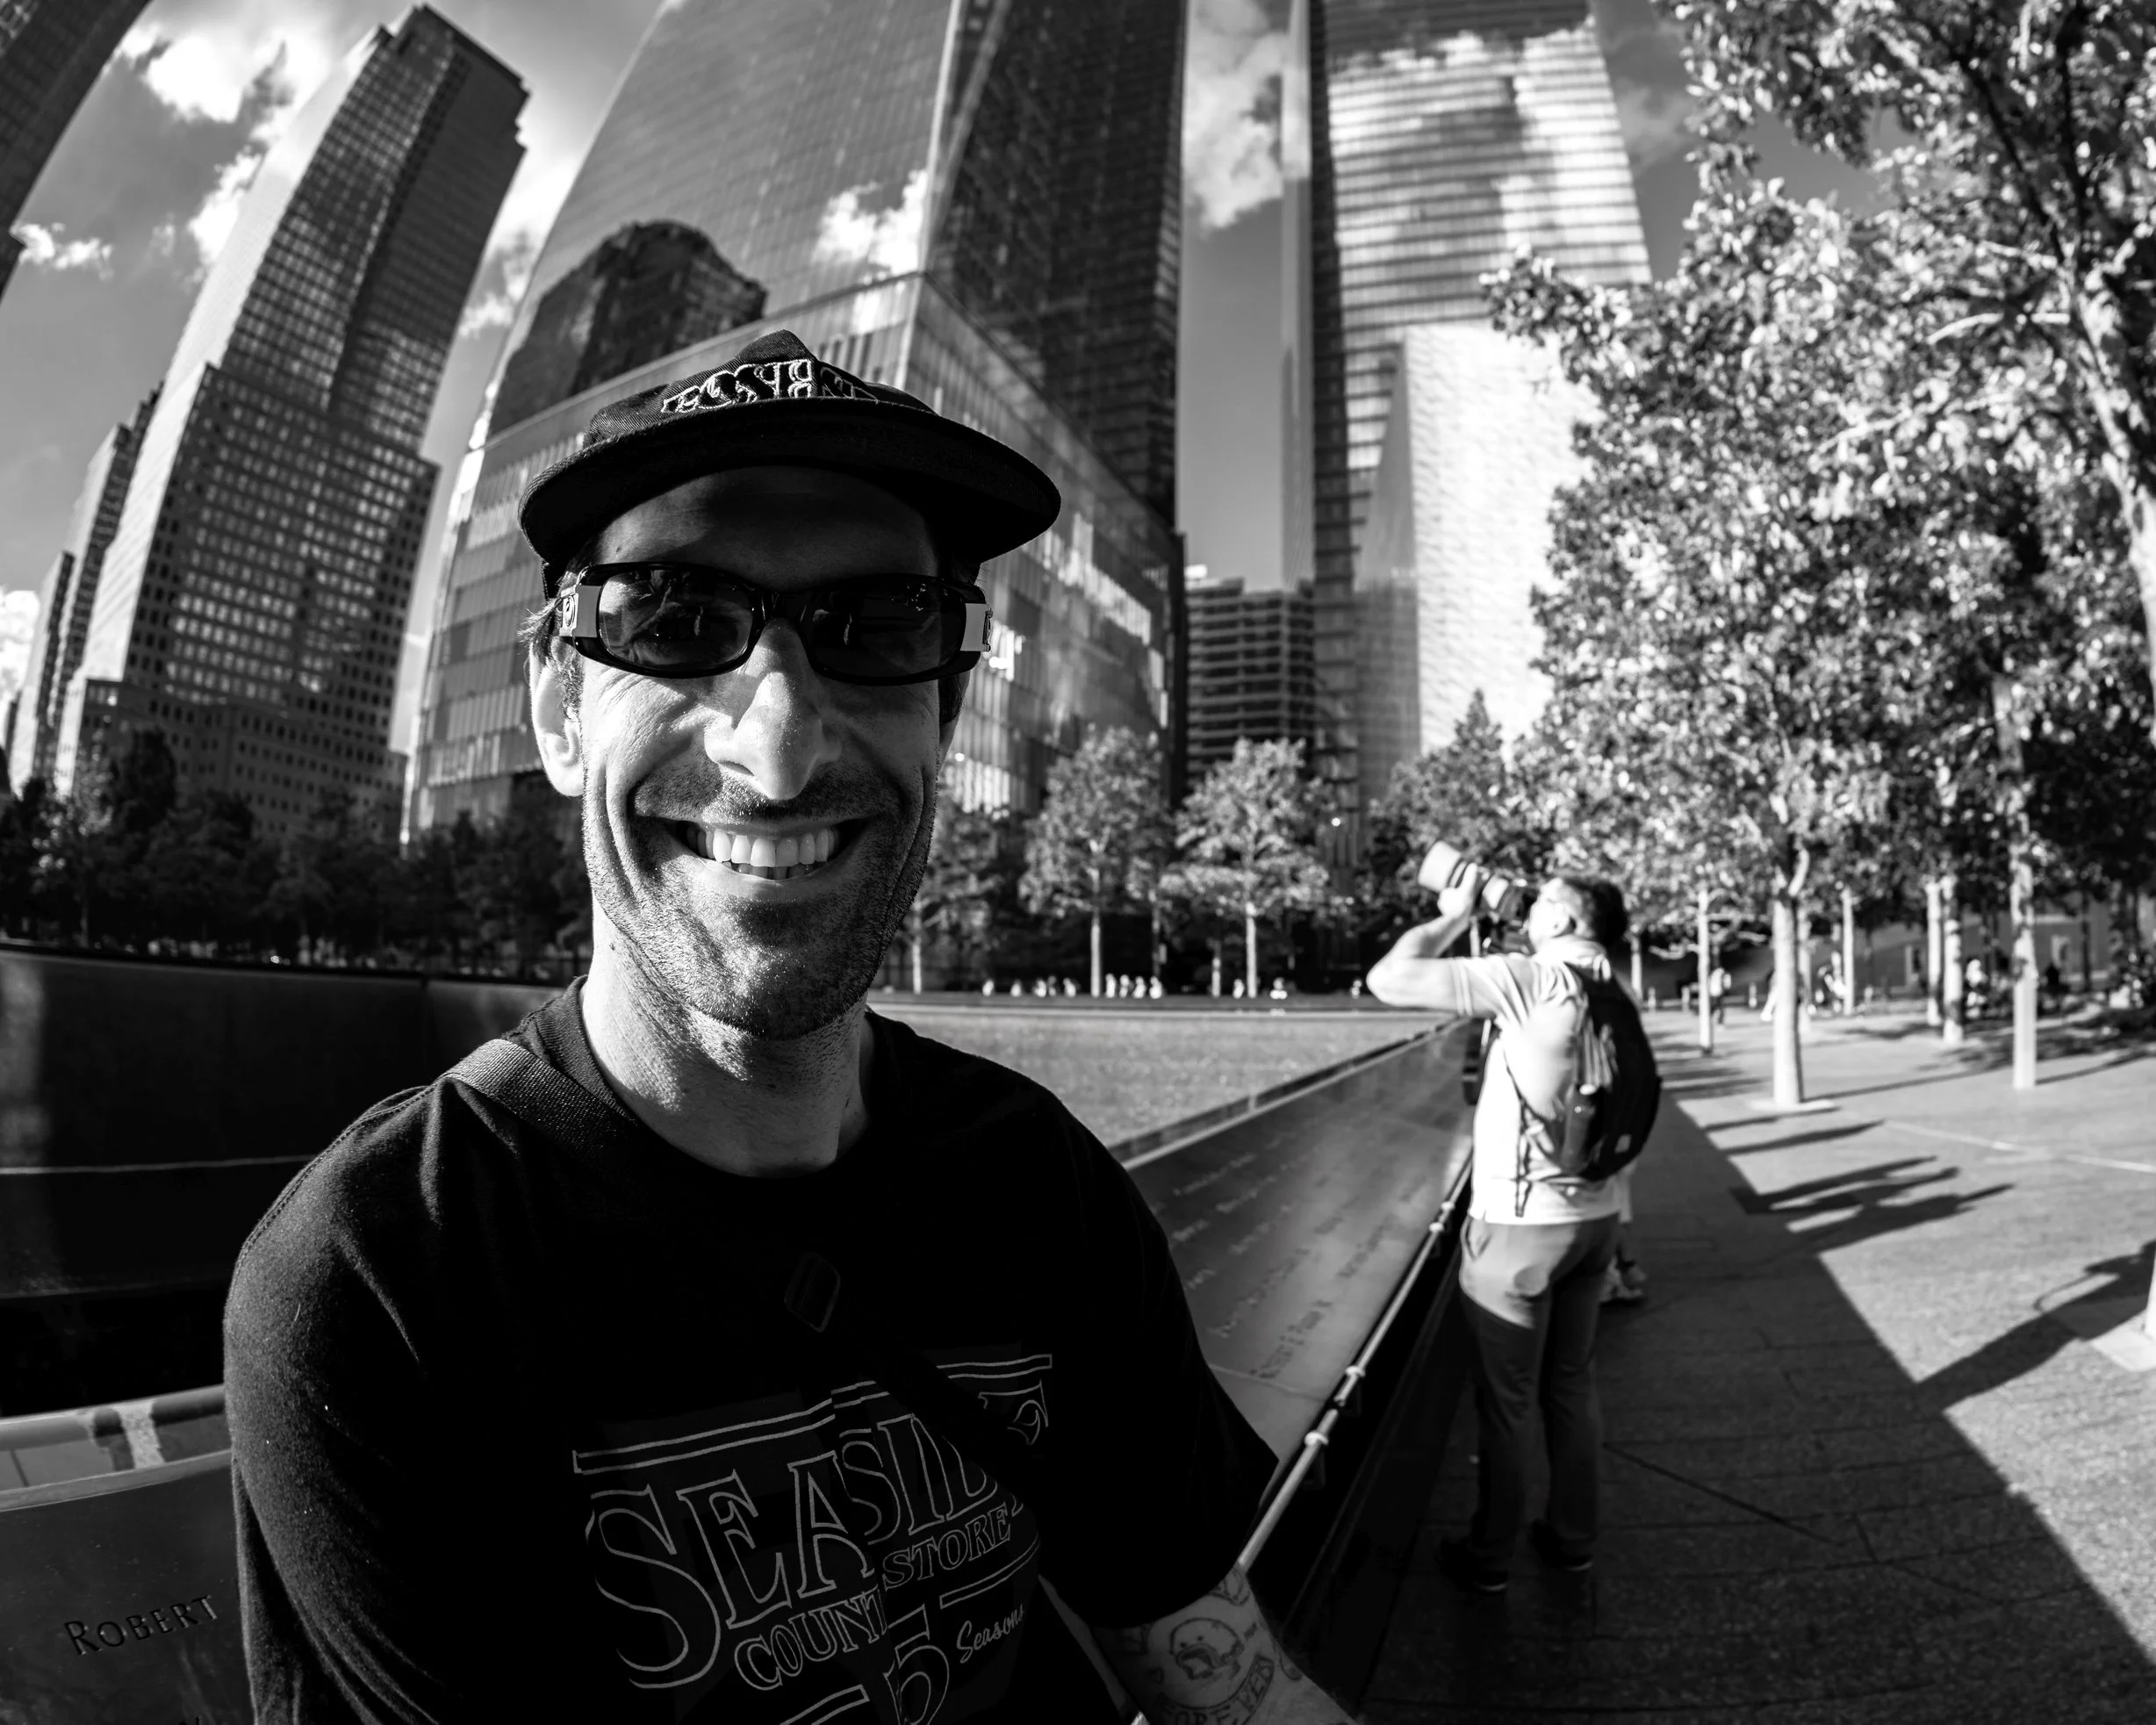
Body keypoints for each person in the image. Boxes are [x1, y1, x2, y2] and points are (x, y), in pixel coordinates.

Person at [225, 330, 1352, 1723]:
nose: (778, 746)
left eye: (878, 621)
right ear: (561, 708)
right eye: (673, 617)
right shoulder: (381, 1279)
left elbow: (1225, 1679)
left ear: (944, 709)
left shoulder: (1041, 1186)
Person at [1366, 873, 1646, 1592]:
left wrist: (1451, 915)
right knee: (1572, 1384)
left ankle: (1490, 1555)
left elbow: (1388, 978)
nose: (1529, 904)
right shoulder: (1618, 988)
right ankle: (1573, 1539)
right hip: (1596, 1221)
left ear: (1564, 919)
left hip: (1520, 1230)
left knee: (1506, 1401)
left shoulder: (1532, 979)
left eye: (1542, 898)